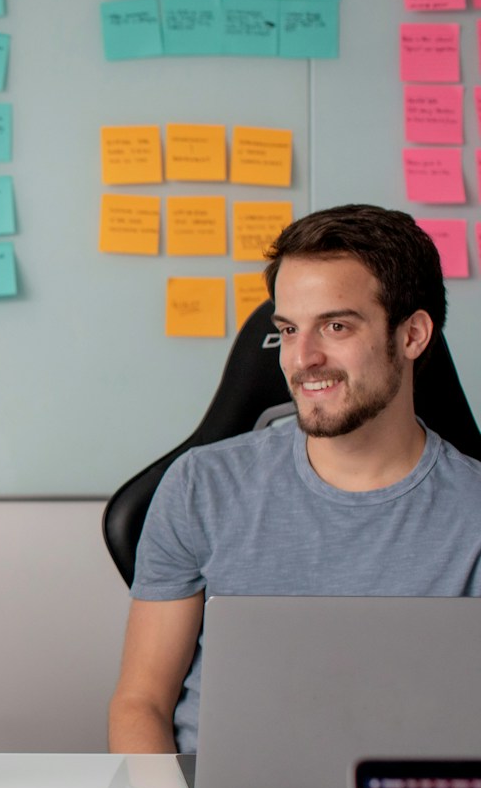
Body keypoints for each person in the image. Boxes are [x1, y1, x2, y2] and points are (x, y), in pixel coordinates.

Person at [109, 204, 481, 754]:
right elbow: (142, 703)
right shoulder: (201, 487)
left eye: (335, 325)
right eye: (288, 329)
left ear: (412, 335)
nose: (302, 358)